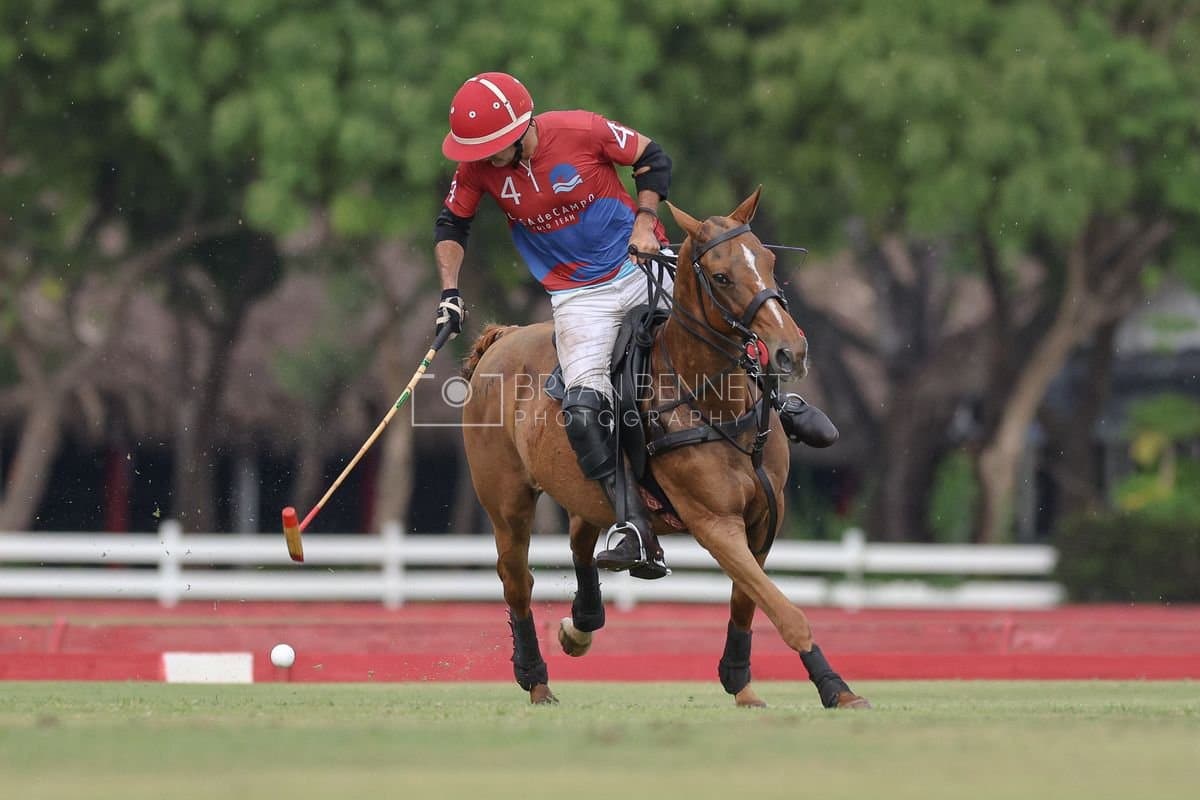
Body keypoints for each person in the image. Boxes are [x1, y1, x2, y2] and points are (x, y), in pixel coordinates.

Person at [433, 71, 838, 580]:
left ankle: (782, 402)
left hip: (639, 262)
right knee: (582, 408)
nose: (488, 159)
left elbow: (653, 158)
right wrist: (450, 292)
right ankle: (630, 523)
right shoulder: (477, 169)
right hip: (578, 295)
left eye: (495, 147)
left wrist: (645, 221)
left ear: (523, 127)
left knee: (728, 320)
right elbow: (452, 223)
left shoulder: (579, 130)